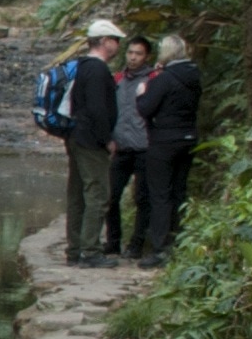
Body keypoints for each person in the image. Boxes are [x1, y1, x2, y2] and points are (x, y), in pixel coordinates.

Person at [59, 17, 124, 263]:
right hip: (91, 141)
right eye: (115, 41)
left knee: (77, 193)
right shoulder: (97, 70)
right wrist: (107, 138)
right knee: (97, 192)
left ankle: (75, 249)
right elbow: (98, 109)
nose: (118, 46)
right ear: (104, 41)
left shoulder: (82, 66)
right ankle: (91, 251)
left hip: (76, 136)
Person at [137, 29, 202, 262]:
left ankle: (160, 247)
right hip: (188, 137)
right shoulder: (194, 76)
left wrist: (142, 92)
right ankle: (179, 242)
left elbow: (145, 108)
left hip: (164, 140)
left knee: (160, 194)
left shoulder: (164, 78)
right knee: (179, 191)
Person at [105, 32, 153, 259]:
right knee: (111, 196)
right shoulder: (118, 80)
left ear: (147, 56)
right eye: (131, 52)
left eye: (138, 54)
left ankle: (136, 244)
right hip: (121, 147)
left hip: (145, 147)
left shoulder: (153, 80)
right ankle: (112, 242)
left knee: (142, 198)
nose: (133, 57)